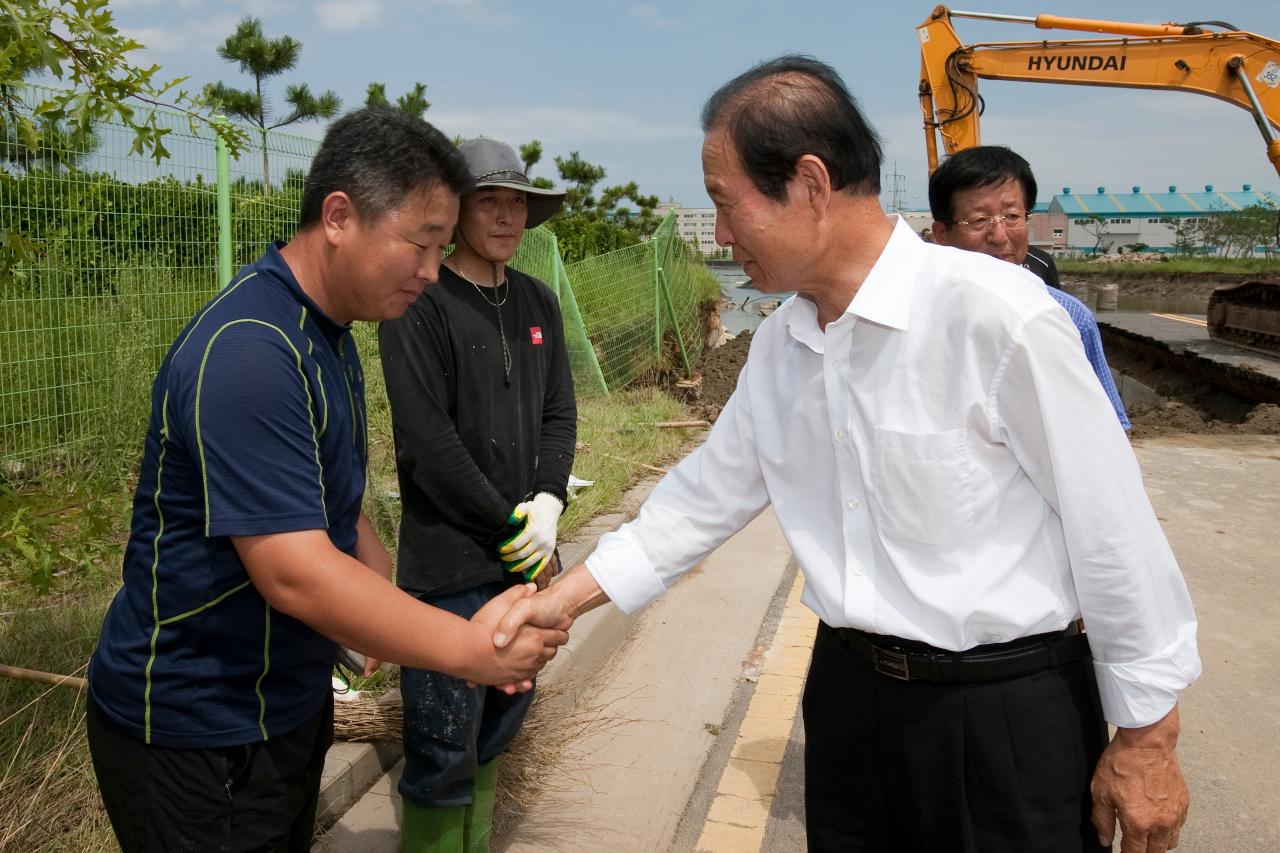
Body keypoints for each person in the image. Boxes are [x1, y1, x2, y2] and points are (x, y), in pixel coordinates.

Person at [497, 57, 1199, 853]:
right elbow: (696, 503)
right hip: (848, 707)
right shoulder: (783, 347)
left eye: (727, 206)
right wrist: (558, 601)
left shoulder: (998, 320)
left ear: (809, 184)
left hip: (1001, 717)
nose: (721, 235)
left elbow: (1114, 533)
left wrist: (1148, 738)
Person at [86, 108, 569, 853]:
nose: (433, 272)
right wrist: (468, 648)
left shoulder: (330, 334)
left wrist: (377, 586)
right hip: (192, 724)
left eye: (443, 248)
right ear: (340, 215)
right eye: (420, 244)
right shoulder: (252, 350)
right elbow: (295, 573)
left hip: (282, 702)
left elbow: (322, 497)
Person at [378, 137, 576, 853]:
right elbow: (428, 443)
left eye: (516, 201)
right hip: (447, 570)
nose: (506, 216)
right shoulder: (419, 306)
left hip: (524, 565)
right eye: (488, 200)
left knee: (497, 730)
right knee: (439, 746)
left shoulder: (537, 302)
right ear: (456, 211)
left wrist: (549, 501)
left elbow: (559, 412)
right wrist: (508, 524)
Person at [929, 145, 1131, 430]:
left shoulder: (1070, 317)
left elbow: (1111, 428)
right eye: (978, 220)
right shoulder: (915, 317)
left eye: (1012, 217)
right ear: (941, 234)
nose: (999, 236)